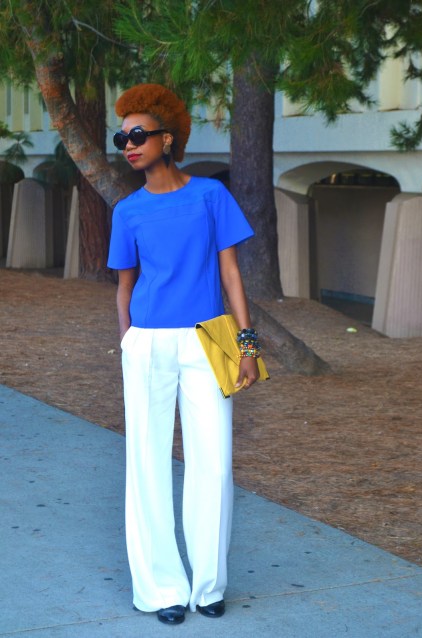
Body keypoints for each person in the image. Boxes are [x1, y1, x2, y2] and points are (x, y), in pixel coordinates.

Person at [107, 84, 261, 625]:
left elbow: (231, 275)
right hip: (147, 343)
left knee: (213, 463)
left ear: (168, 138)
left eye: (138, 134)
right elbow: (124, 287)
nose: (128, 145)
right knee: (146, 463)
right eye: (122, 138)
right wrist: (128, 340)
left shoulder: (210, 196)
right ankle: (161, 589)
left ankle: (208, 586)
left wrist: (247, 346)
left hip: (208, 338)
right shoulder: (127, 211)